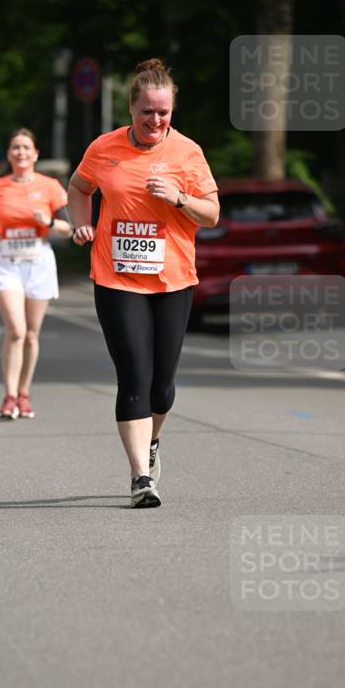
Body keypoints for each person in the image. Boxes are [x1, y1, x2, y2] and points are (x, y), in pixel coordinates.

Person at [67, 58, 219, 508]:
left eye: (163, 112)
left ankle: (153, 442)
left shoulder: (188, 153)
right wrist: (81, 223)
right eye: (147, 112)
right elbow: (79, 188)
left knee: (162, 388)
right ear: (130, 108)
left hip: (173, 279)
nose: (155, 120)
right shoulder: (104, 147)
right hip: (117, 279)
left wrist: (180, 197)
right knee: (133, 374)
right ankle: (140, 478)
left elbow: (211, 214)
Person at [0, 128, 72, 419]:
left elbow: (68, 228)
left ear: (35, 154)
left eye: (26, 148)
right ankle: (9, 396)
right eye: (15, 148)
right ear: (9, 154)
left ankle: (24, 393)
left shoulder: (50, 186)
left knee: (31, 335)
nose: (20, 152)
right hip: (6, 261)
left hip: (38, 263)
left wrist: (47, 221)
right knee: (16, 330)